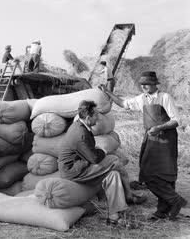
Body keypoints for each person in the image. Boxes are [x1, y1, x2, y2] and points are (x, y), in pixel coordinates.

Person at [99, 71, 187, 221]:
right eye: (142, 84)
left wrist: (159, 128)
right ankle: (174, 200)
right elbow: (123, 104)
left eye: (147, 84)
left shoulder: (165, 97)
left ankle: (163, 209)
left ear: (154, 84)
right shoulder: (142, 98)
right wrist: (108, 92)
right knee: (147, 173)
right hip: (151, 138)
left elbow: (176, 120)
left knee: (166, 173)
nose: (144, 86)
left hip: (166, 139)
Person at [58, 100, 146, 225]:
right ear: (88, 118)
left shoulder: (80, 126)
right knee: (115, 160)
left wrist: (98, 151)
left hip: (82, 166)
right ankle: (128, 195)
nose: (98, 118)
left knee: (113, 175)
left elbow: (91, 154)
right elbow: (94, 158)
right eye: (96, 116)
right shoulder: (81, 134)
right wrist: (103, 151)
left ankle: (114, 216)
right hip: (74, 171)